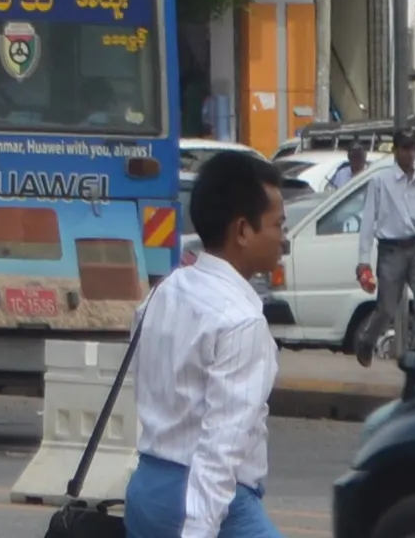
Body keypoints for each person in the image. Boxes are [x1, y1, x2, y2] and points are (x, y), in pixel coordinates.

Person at [127, 146, 287, 538]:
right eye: (278, 225)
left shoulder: (164, 292)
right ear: (243, 231)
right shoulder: (241, 322)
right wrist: (197, 531)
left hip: (147, 490)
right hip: (207, 503)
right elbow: (221, 449)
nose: (284, 239)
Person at [348, 131, 415, 387]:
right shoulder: (380, 182)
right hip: (391, 249)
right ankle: (367, 341)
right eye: (405, 149)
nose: (410, 154)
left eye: (414, 149)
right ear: (396, 151)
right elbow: (368, 221)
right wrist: (363, 261)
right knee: (387, 307)